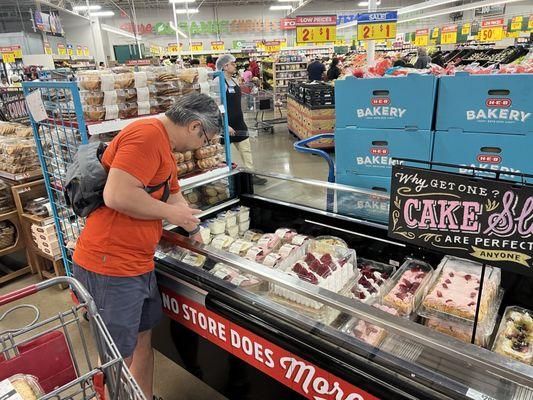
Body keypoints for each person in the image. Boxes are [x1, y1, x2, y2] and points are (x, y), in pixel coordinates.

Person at [72, 92, 221, 399]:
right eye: (206, 139)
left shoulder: (164, 145)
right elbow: (117, 195)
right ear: (194, 126)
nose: (203, 146)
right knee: (116, 355)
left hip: (138, 262)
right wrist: (172, 214)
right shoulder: (146, 135)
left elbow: (173, 193)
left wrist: (197, 231)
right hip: (109, 264)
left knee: (141, 341)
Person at [215, 54, 267, 185]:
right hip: (225, 124)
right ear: (225, 66)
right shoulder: (217, 82)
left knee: (246, 150)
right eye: (233, 63)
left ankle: (251, 175)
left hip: (239, 122)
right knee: (221, 154)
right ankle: (222, 178)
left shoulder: (234, 81)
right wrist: (224, 125)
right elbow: (216, 106)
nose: (235, 65)